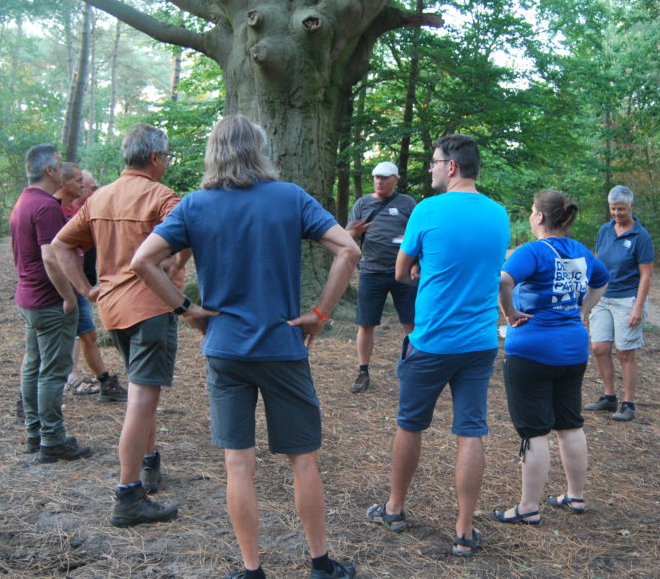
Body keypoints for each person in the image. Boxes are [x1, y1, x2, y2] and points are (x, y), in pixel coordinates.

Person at [132, 114, 360, 579]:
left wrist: (186, 310)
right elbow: (349, 251)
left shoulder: (195, 206)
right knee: (303, 459)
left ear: (214, 152)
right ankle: (320, 564)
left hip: (225, 349)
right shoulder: (290, 198)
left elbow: (143, 262)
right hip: (282, 347)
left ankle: (252, 569)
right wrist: (319, 314)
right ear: (259, 149)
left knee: (238, 463)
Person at [365, 134, 509, 558]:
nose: (430, 167)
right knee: (470, 430)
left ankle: (394, 509)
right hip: (480, 342)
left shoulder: (426, 210)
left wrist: (421, 271)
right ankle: (464, 531)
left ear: (451, 167)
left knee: (410, 424)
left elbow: (401, 268)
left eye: (434, 161)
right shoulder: (499, 214)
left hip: (430, 341)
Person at [53, 124, 188, 527]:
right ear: (154, 158)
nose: (165, 164)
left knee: (143, 392)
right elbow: (188, 237)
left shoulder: (101, 197)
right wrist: (176, 265)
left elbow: (61, 244)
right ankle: (127, 495)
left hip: (114, 310)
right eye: (165, 157)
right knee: (142, 398)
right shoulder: (162, 198)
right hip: (150, 308)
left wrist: (88, 290)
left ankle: (149, 464)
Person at [492, 191, 608, 525]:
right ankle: (576, 495)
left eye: (532, 211)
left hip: (532, 350)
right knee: (570, 423)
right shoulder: (580, 251)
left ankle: (528, 506)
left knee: (535, 431)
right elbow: (602, 280)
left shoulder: (533, 251)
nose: (530, 216)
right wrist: (582, 311)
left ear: (540, 217)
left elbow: (503, 279)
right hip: (573, 349)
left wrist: (510, 312)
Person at [10, 143, 92, 463]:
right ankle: (53, 439)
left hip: (28, 298)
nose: (63, 170)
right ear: (49, 171)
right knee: (53, 371)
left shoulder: (24, 202)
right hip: (47, 302)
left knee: (33, 365)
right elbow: (50, 256)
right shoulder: (45, 207)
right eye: (59, 166)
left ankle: (35, 433)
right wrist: (69, 296)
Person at [54, 162, 126, 402]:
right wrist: (77, 290)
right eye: (91, 187)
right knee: (59, 339)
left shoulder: (85, 214)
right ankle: (52, 387)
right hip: (68, 289)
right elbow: (54, 253)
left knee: (86, 335)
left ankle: (101, 382)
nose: (95, 192)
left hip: (80, 287)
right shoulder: (63, 215)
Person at [346, 161, 417, 393]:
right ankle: (363, 371)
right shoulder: (362, 204)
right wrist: (356, 232)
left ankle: (416, 369)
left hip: (403, 273)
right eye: (376, 177)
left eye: (385, 177)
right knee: (366, 323)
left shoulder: (407, 204)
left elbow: (419, 237)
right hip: (371, 272)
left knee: (411, 323)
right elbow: (348, 238)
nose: (379, 181)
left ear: (395, 179)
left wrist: (416, 262)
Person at [584, 184, 654, 422]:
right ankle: (609, 396)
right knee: (599, 347)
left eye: (621, 209)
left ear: (631, 207)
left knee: (625, 352)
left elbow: (645, 274)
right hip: (603, 296)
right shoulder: (604, 230)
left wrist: (637, 307)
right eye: (613, 209)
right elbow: (596, 260)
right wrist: (588, 292)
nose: (617, 214)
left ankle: (628, 403)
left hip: (627, 298)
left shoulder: (640, 236)